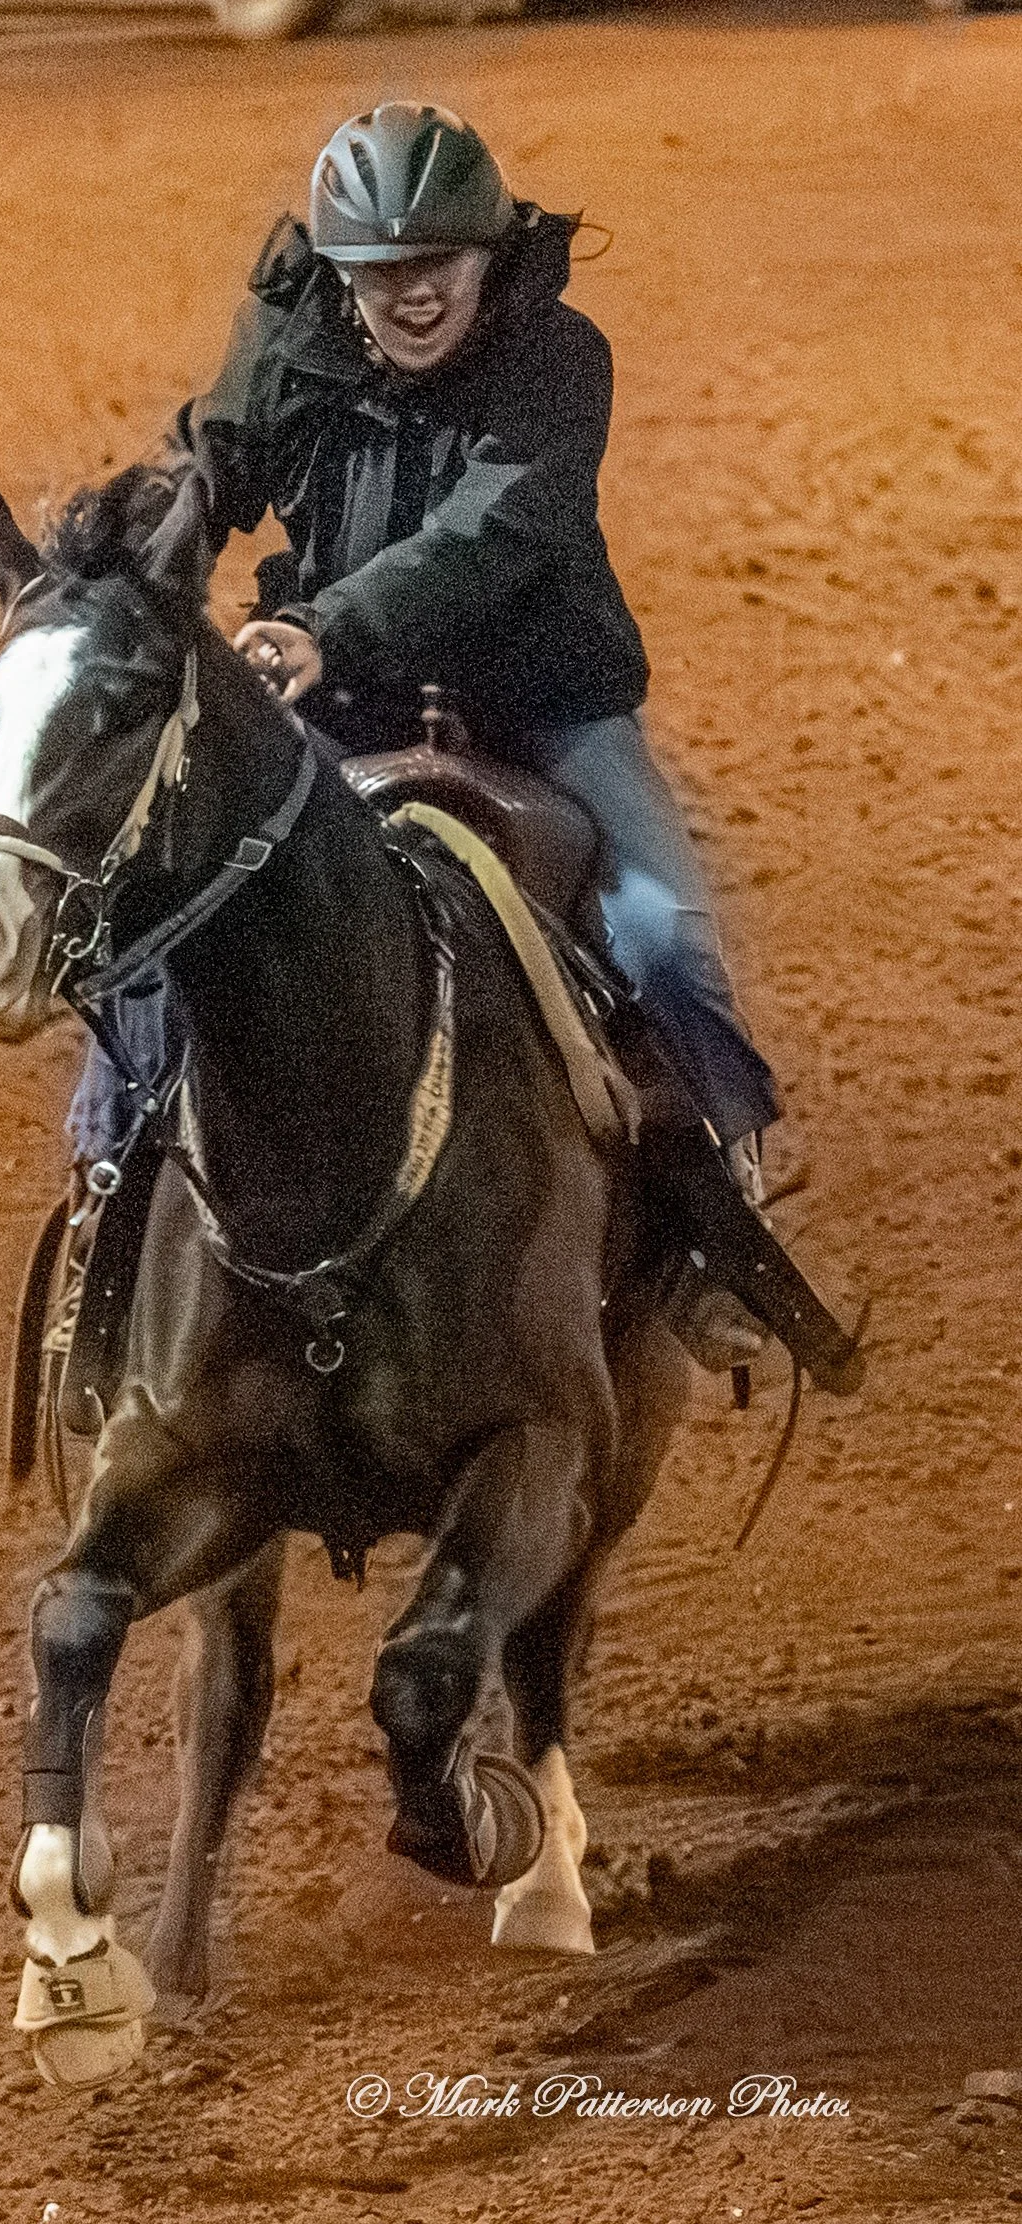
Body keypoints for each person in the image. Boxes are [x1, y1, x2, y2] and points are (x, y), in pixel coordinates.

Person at [67, 102, 785, 1367]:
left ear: (486, 256)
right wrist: (122, 559)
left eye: (433, 268)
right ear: (341, 277)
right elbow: (209, 463)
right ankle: (108, 1214)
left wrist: (326, 628)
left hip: (542, 706)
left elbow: (492, 535)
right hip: (337, 710)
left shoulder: (561, 363)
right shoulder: (289, 341)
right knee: (163, 913)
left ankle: (713, 1219)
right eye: (378, 273)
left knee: (661, 936)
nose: (408, 298)